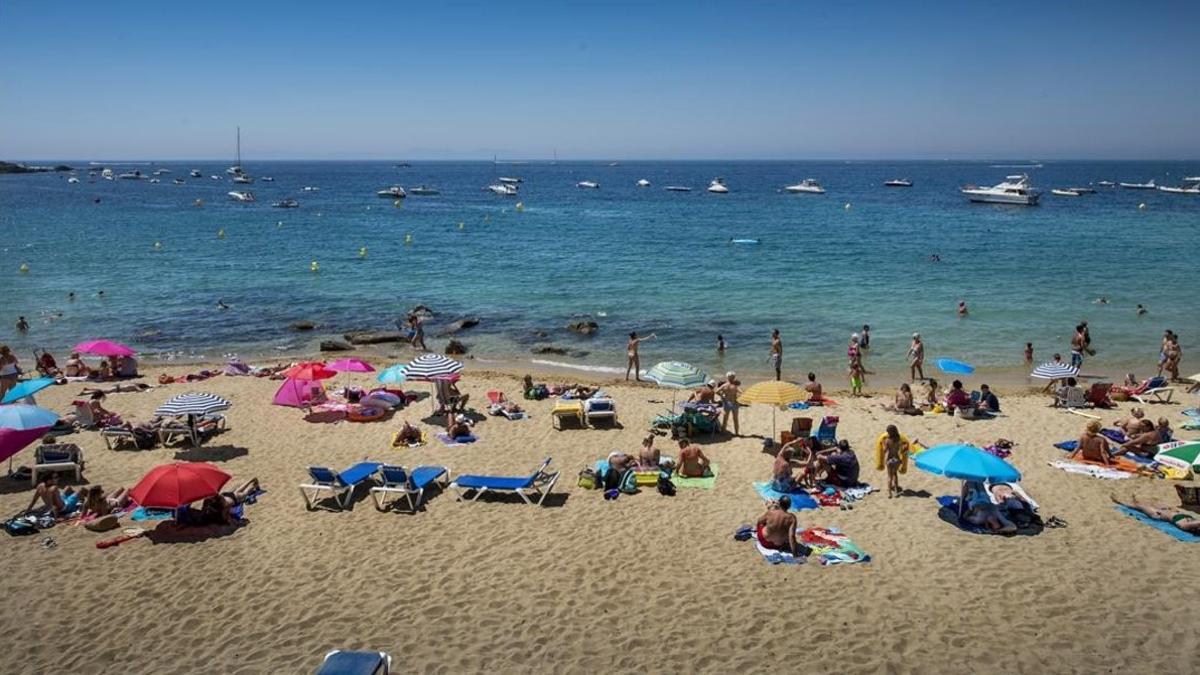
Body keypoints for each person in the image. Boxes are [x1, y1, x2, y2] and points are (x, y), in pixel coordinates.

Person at [1110, 494, 1200, 534]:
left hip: (1158, 515)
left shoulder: (1184, 526)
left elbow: (1197, 523)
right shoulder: (1191, 523)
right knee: (1149, 503)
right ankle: (1135, 501)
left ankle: (1120, 502)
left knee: (1139, 507)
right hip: (1166, 511)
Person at [875, 425, 910, 498]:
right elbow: (902, 450)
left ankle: (890, 493)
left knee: (889, 477)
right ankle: (896, 491)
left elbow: (884, 451)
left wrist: (883, 444)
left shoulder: (887, 440)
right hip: (897, 460)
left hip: (890, 460)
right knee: (895, 475)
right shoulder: (899, 440)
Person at [716, 371, 741, 436]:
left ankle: (723, 432)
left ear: (727, 377)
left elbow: (717, 391)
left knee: (725, 419)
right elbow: (741, 392)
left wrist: (722, 396)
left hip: (727, 403)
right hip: (734, 403)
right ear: (734, 377)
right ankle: (736, 433)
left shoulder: (724, 385)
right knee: (735, 419)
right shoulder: (735, 386)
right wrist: (737, 397)